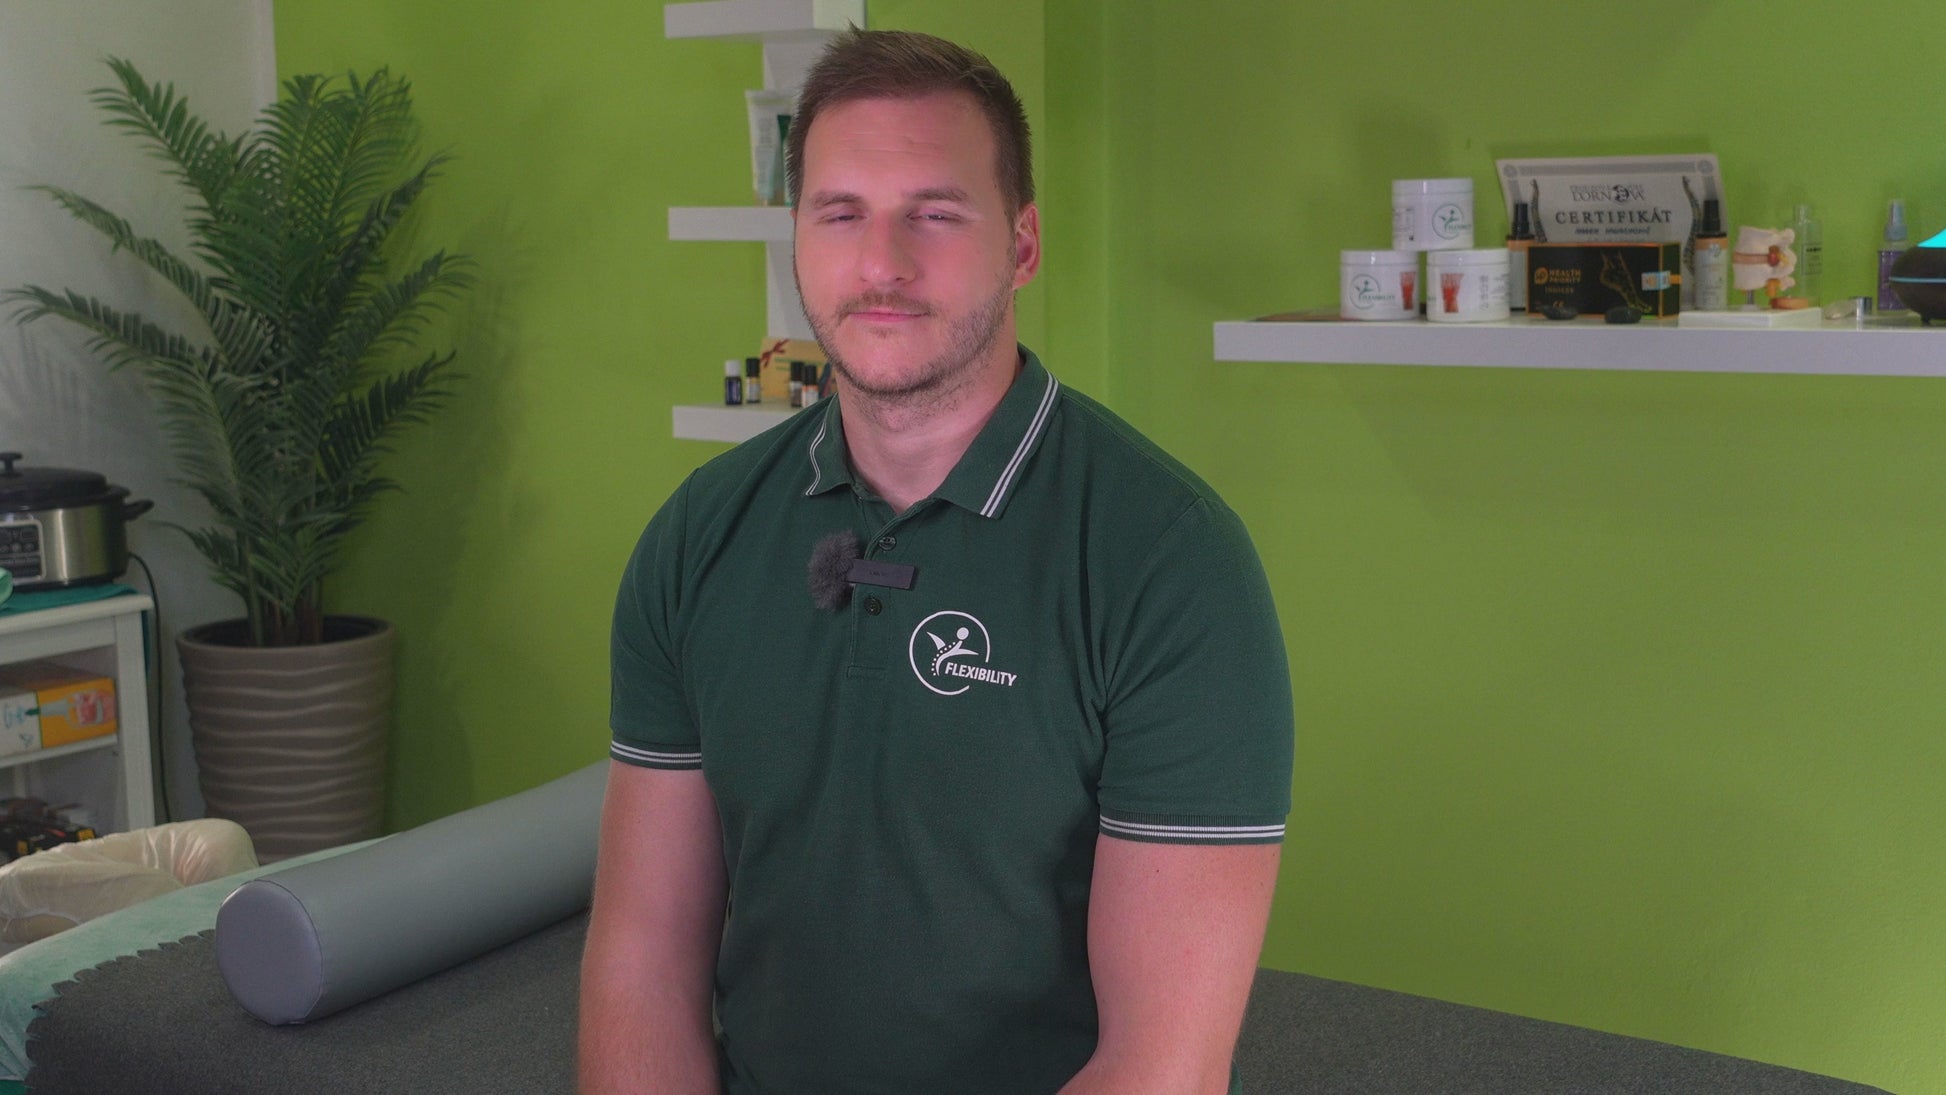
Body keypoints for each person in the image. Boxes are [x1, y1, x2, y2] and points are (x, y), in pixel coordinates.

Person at [580, 28, 1294, 1095]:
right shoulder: (699, 537)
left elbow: (1160, 1066)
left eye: (935, 212)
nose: (882, 264)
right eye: (840, 213)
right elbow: (641, 963)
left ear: (1023, 243)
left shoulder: (1170, 563)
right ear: (796, 237)